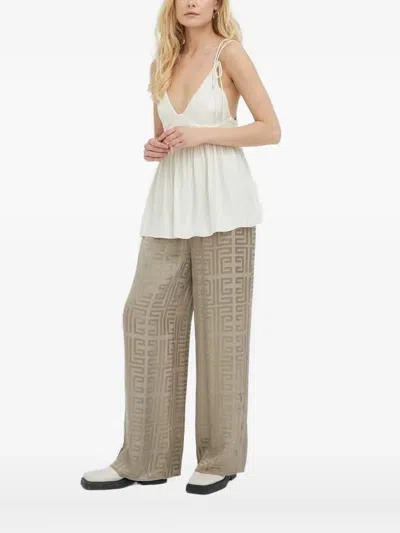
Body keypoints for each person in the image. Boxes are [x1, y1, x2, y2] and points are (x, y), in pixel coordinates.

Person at [81, 0, 281, 496]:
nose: (192, 2)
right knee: (144, 317)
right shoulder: (162, 61)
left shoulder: (231, 54)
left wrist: (202, 135)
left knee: (222, 336)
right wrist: (155, 147)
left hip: (225, 206)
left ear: (216, 5)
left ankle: (220, 458)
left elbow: (269, 129)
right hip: (169, 206)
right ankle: (144, 459)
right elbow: (164, 136)